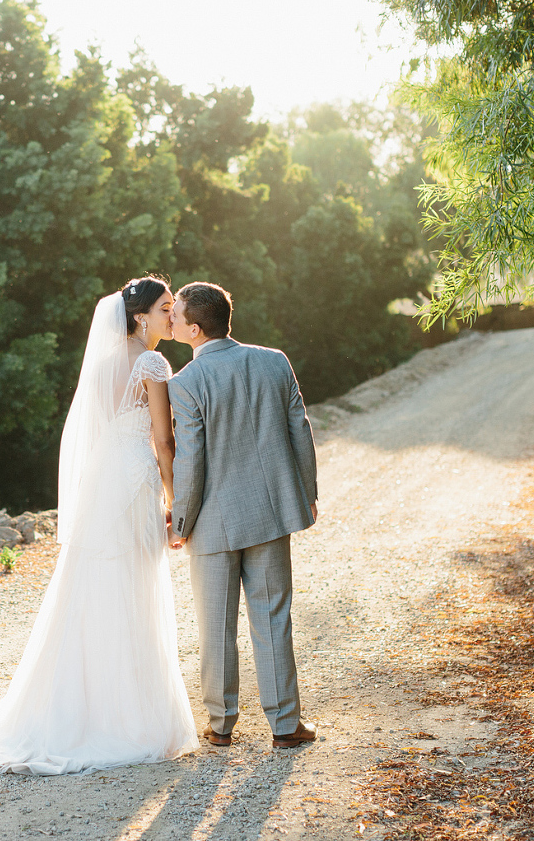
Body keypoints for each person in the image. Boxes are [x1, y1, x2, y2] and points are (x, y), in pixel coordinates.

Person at [0, 277, 197, 775]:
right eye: (166, 308)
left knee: (93, 589)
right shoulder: (152, 362)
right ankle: (128, 717)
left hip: (103, 486)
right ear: (142, 316)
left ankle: (75, 712)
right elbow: (164, 442)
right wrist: (174, 500)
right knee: (132, 589)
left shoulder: (100, 363)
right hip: (136, 482)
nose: (172, 316)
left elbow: (94, 431)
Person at [167, 281, 319, 749]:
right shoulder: (274, 360)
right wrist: (306, 492)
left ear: (194, 329)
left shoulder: (185, 383)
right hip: (272, 512)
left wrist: (180, 522)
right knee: (273, 617)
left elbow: (190, 460)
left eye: (175, 314)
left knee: (215, 626)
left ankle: (221, 725)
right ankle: (286, 726)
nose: (169, 317)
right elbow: (300, 428)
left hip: (213, 523)